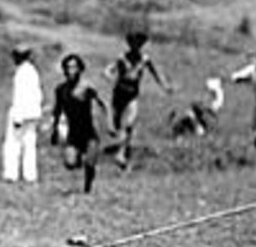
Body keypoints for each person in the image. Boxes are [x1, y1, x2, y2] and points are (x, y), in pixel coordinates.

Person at [104, 30, 172, 169]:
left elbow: (155, 73)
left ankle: (121, 154)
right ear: (130, 44)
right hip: (119, 95)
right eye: (134, 43)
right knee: (117, 126)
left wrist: (164, 85)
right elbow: (109, 69)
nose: (136, 45)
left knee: (129, 124)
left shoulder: (145, 59)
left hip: (132, 96)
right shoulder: (122, 57)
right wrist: (108, 75)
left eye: (139, 43)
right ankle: (121, 145)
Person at [51, 54, 110, 194]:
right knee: (70, 164)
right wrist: (54, 130)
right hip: (73, 134)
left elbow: (104, 102)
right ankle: (76, 158)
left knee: (90, 163)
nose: (71, 71)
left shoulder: (87, 87)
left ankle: (87, 187)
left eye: (74, 67)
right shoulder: (60, 90)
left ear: (80, 69)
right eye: (68, 68)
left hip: (89, 132)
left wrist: (110, 123)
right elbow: (57, 111)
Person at [3, 44, 42, 183]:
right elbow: (38, 95)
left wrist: (18, 117)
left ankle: (11, 174)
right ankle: (30, 175)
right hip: (32, 113)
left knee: (13, 144)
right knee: (30, 145)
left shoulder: (22, 73)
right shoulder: (32, 71)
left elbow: (20, 97)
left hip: (21, 113)